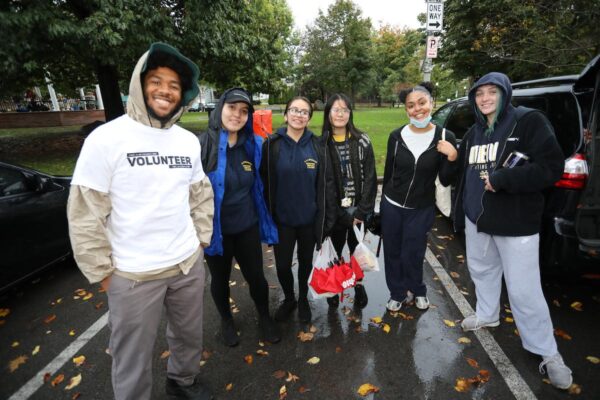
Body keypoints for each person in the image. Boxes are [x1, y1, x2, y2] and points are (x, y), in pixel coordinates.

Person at [67, 42, 214, 400]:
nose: (165, 90)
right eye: (157, 81)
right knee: (130, 357)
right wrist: (104, 274)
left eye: (174, 85)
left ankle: (182, 381)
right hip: (132, 275)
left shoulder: (187, 141)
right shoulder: (106, 139)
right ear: (140, 84)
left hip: (186, 264)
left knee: (188, 336)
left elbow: (200, 194)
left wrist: (200, 242)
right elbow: (85, 214)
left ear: (183, 95)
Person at [454, 72, 573, 390]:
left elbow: (552, 167)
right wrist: (461, 213)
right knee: (482, 272)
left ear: (505, 93)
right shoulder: (475, 131)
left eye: (492, 92)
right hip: (477, 220)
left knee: (524, 291)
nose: (485, 99)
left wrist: (505, 180)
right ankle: (487, 314)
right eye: (479, 94)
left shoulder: (528, 121)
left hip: (515, 224)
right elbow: (465, 174)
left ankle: (547, 352)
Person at [199, 87, 280, 347]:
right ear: (220, 108)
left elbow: (268, 180)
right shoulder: (202, 145)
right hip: (216, 230)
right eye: (232, 107)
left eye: (244, 111)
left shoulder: (253, 145)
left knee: (256, 276)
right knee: (219, 280)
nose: (237, 115)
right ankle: (226, 320)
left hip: (247, 226)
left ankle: (265, 317)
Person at [381, 82, 458, 312]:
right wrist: (384, 202)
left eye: (422, 103)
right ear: (406, 110)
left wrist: (452, 156)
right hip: (392, 205)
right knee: (393, 251)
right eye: (411, 106)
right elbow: (388, 173)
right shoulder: (396, 136)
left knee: (413, 252)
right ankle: (396, 292)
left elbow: (445, 179)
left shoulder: (445, 136)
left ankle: (417, 289)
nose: (418, 110)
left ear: (431, 103)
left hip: (421, 207)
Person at [260, 96, 337, 323]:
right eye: (294, 110)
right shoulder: (271, 145)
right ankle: (290, 298)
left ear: (309, 118)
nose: (298, 115)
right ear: (285, 114)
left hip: (308, 220)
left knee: (305, 263)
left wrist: (325, 220)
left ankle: (303, 298)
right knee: (283, 265)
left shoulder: (317, 145)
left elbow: (326, 185)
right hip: (282, 220)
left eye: (304, 112)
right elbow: (263, 184)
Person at [321, 93, 377, 309]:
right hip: (334, 212)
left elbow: (371, 178)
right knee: (334, 250)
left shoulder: (362, 141)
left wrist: (362, 212)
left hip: (358, 211)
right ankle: (334, 286)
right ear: (328, 113)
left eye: (345, 109)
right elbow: (322, 184)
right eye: (336, 109)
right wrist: (336, 212)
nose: (340, 114)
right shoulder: (322, 144)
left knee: (356, 250)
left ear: (350, 113)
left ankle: (358, 284)